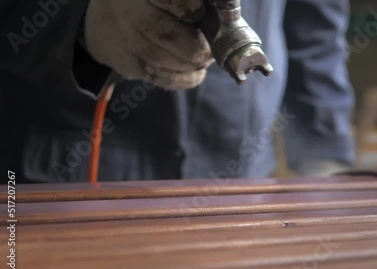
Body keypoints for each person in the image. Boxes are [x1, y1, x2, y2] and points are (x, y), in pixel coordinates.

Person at [0, 0, 354, 183]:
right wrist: (79, 23)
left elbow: (316, 31)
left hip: (241, 177)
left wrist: (322, 152)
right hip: (63, 174)